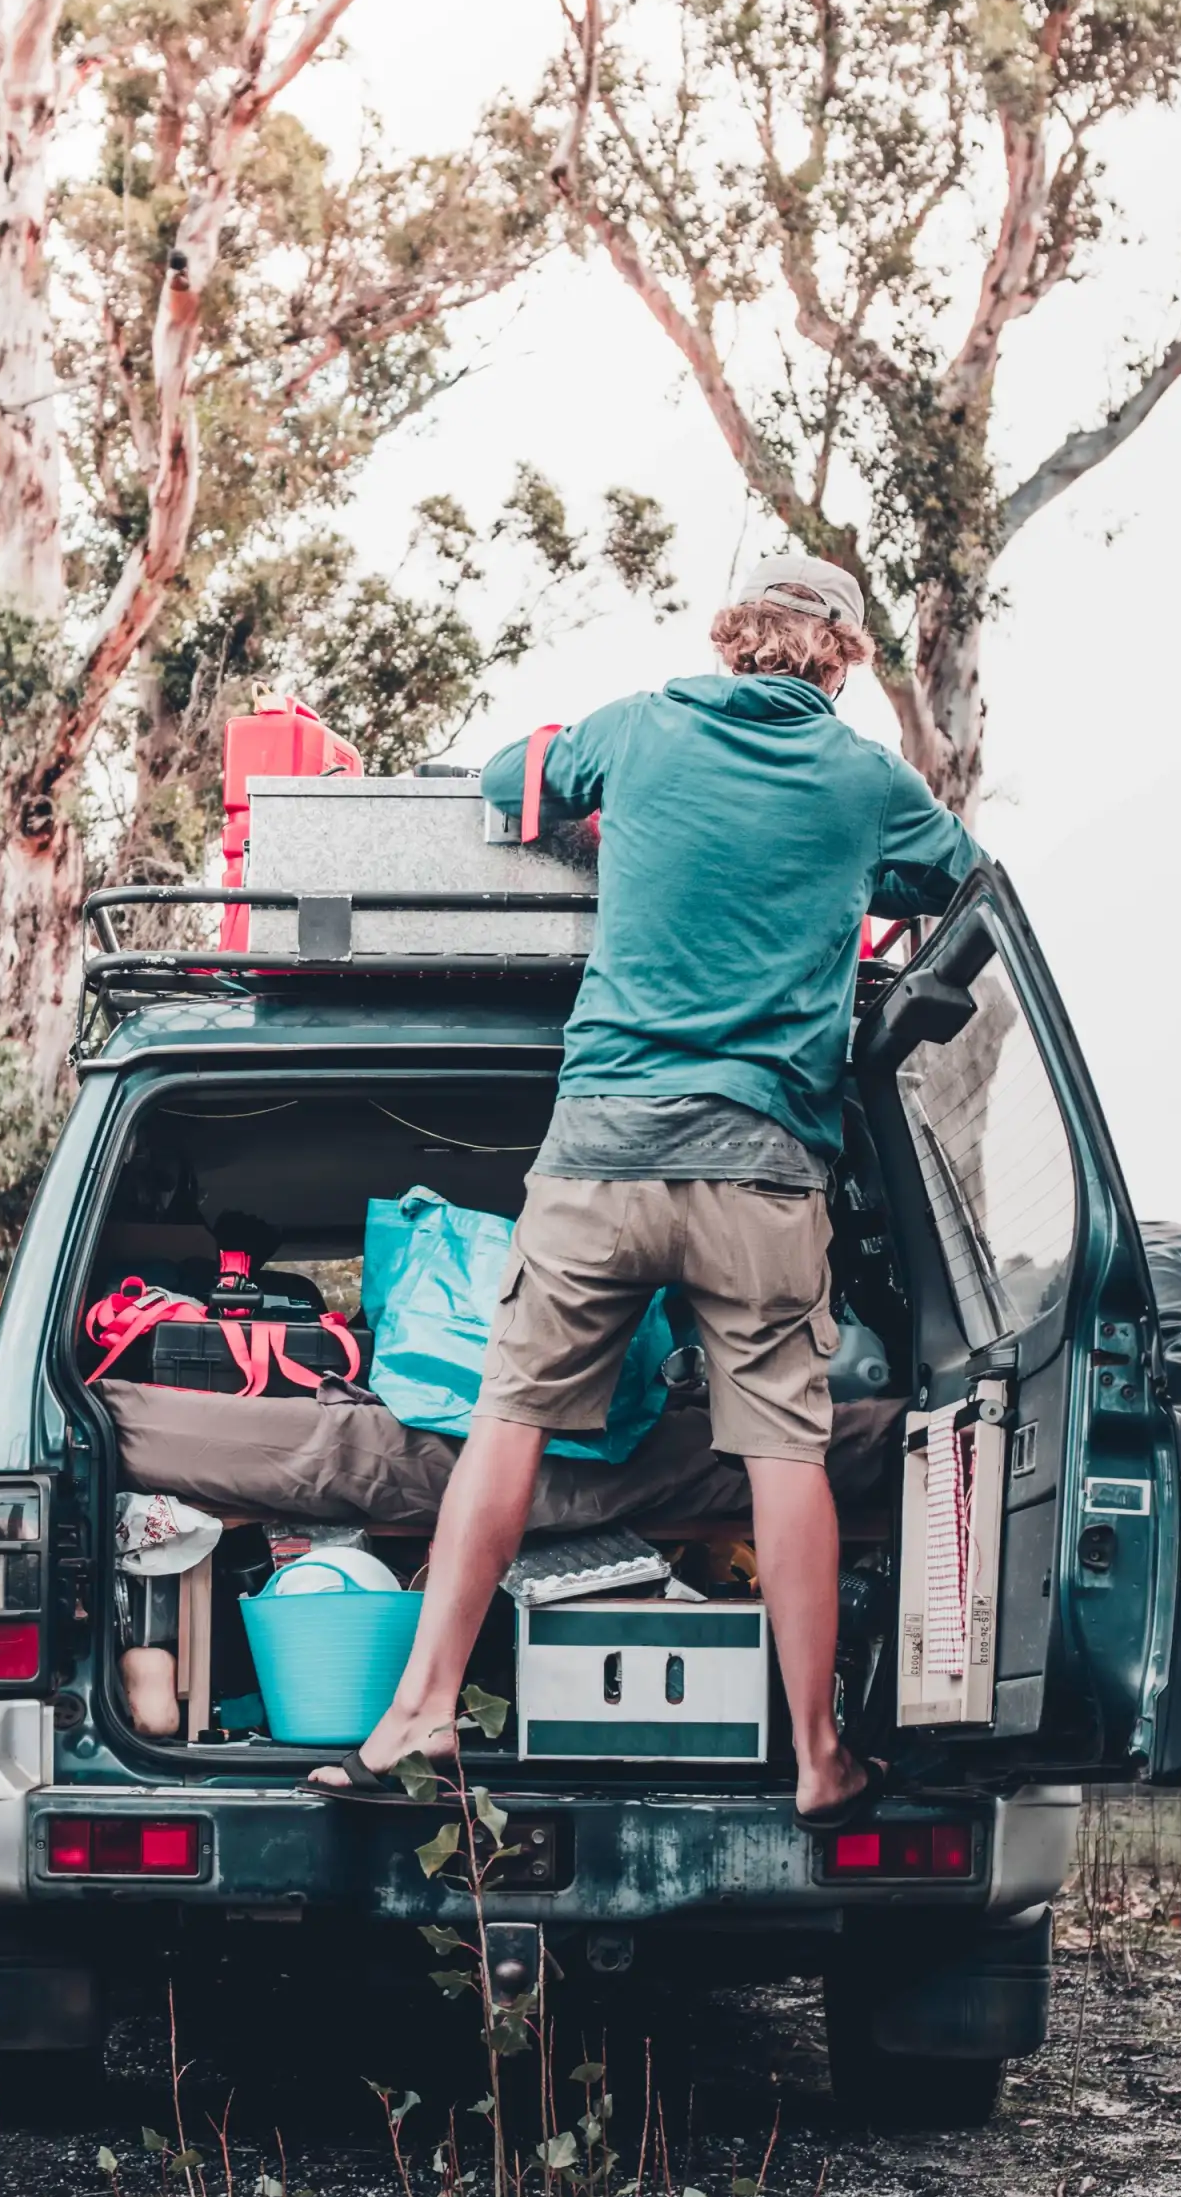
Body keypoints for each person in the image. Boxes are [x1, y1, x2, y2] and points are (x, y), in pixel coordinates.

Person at [311, 553, 979, 1826]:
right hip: (765, 1172)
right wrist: (838, 882)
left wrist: (605, 825)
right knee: (785, 1455)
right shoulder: (863, 781)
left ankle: (419, 1709)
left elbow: (510, 778)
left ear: (738, 636)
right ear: (839, 656)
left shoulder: (644, 724)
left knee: (507, 1423)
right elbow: (953, 882)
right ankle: (822, 1756)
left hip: (600, 1156)